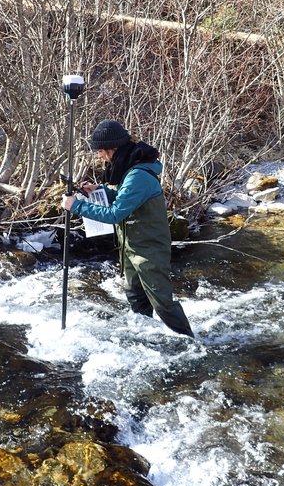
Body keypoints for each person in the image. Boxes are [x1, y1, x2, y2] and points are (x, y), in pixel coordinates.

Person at [61, 119, 194, 338]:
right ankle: (145, 337)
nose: (99, 156)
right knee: (136, 297)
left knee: (162, 303)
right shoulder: (130, 171)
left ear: (113, 148)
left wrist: (76, 206)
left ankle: (191, 342)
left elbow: (115, 214)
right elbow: (125, 198)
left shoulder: (138, 176)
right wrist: (99, 190)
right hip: (133, 248)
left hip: (149, 251)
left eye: (101, 151)